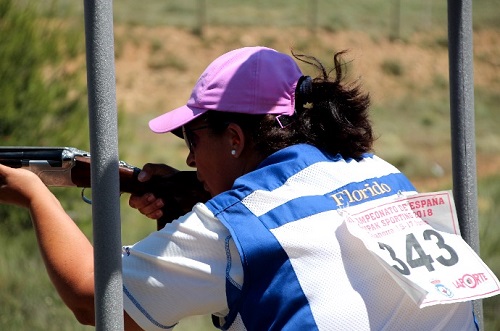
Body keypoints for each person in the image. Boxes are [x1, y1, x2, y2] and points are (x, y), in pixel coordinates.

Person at [0, 46, 477, 330]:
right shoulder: (381, 172)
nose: (188, 158)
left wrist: (33, 193)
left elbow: (94, 300)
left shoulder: (233, 227)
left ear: (234, 138)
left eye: (192, 138)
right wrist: (191, 206)